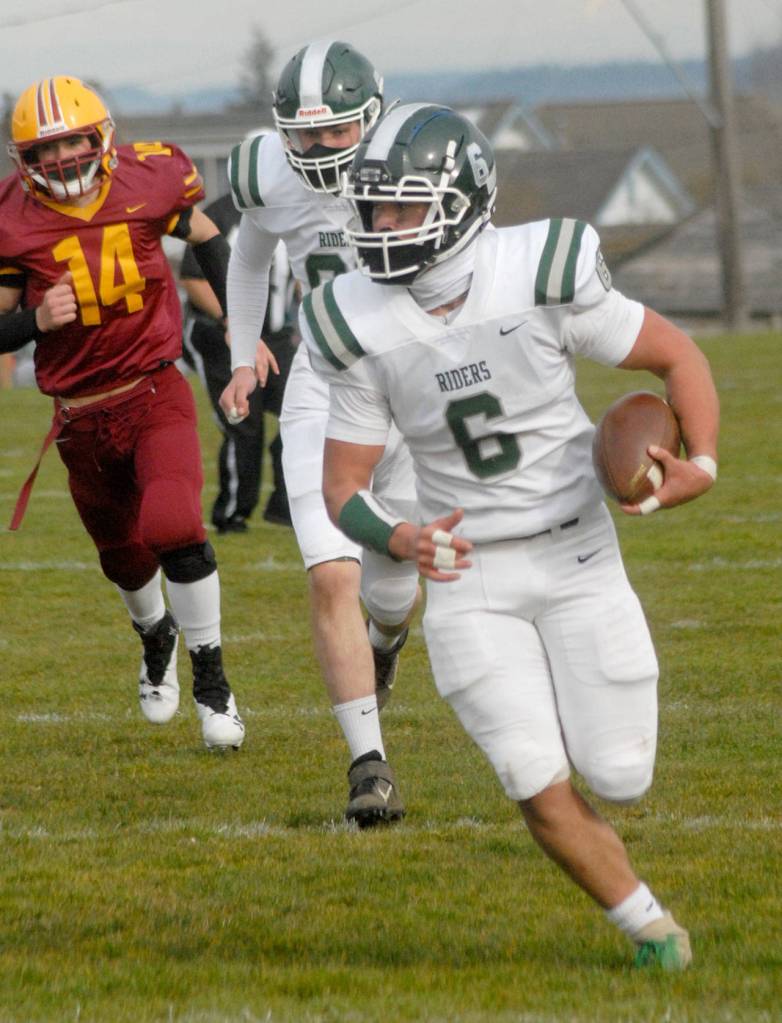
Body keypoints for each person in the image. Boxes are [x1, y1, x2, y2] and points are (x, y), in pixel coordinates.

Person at [301, 103, 719, 966]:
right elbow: (342, 486)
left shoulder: (543, 270)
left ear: (462, 200)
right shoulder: (354, 319)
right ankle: (650, 927)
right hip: (469, 577)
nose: (380, 225)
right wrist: (400, 537)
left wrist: (701, 461)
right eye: (373, 206)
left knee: (622, 773)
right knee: (530, 770)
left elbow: (678, 356)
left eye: (403, 206)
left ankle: (573, 706)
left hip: (578, 552)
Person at [0, 76, 245, 750]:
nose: (61, 159)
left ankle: (214, 684)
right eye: (44, 151)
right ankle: (155, 633)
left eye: (72, 142)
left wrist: (237, 321)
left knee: (174, 523)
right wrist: (34, 321)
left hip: (152, 390)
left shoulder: (149, 179)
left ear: (101, 137)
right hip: (79, 416)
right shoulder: (13, 217)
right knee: (124, 559)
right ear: (25, 159)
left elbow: (208, 239)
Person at [219, 41, 421, 826]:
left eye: (337, 131)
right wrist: (242, 356)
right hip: (324, 382)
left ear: (372, 117)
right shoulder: (270, 172)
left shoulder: (418, 155)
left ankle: (386, 641)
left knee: (394, 589)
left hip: (414, 387)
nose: (321, 148)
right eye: (305, 135)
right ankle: (369, 766)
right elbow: (248, 258)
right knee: (332, 574)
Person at [179, 190, 295, 534]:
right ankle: (233, 512)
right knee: (243, 424)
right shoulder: (220, 213)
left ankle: (285, 503)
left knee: (303, 413)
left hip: (276, 337)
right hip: (221, 336)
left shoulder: (292, 209)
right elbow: (193, 278)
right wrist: (233, 321)